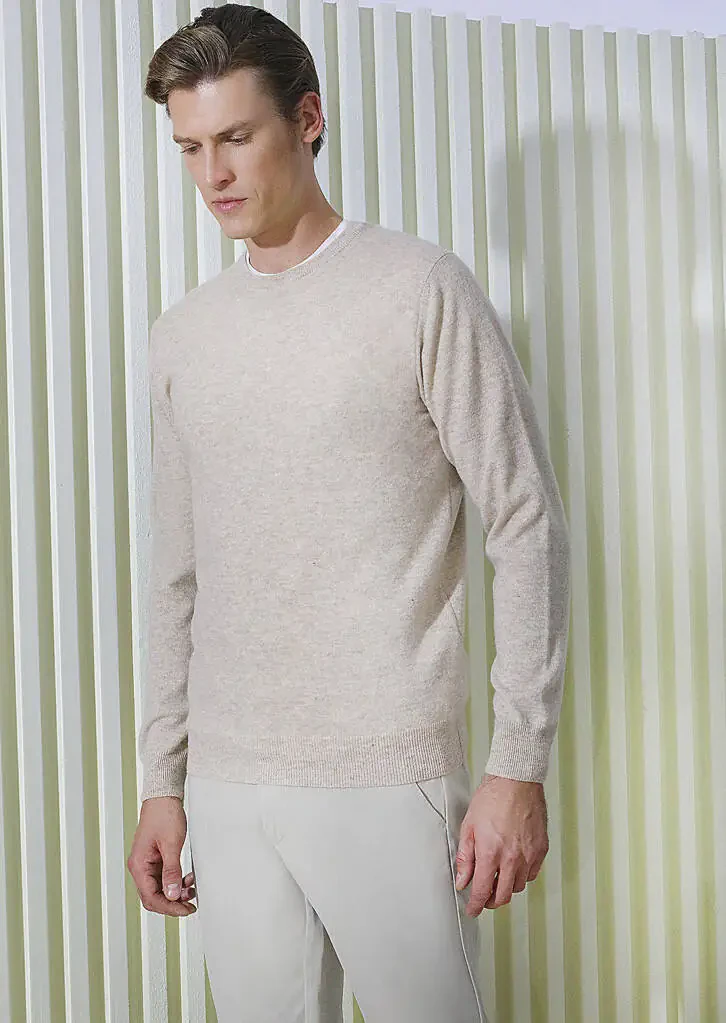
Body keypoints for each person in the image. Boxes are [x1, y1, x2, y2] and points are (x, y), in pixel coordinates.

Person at [126, 5, 571, 1021]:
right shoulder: (185, 335)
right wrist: (164, 779)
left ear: (308, 118)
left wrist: (517, 764)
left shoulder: (419, 290)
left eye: (236, 136)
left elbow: (526, 522)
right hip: (229, 787)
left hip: (388, 773)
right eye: (190, 147)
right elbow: (176, 573)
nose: (212, 174)